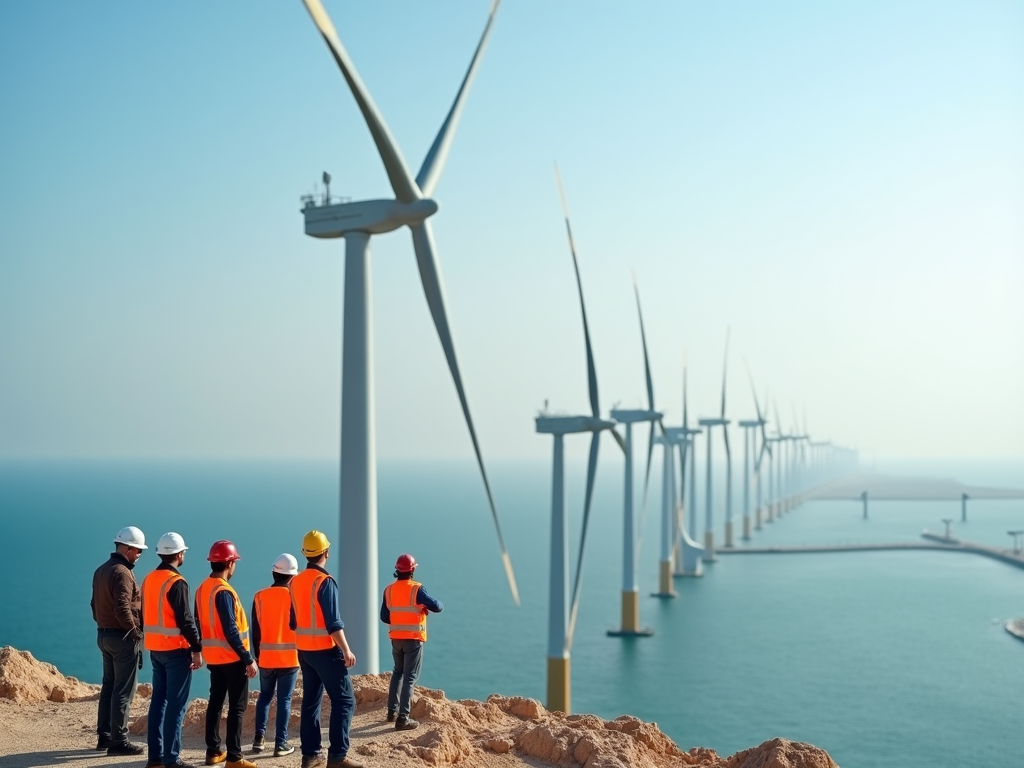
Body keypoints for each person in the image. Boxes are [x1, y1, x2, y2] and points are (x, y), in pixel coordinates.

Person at [289, 531, 362, 768]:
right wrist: (347, 650)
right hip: (324, 650)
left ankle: (310, 756)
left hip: (304, 651)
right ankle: (338, 757)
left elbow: (293, 622)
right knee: (345, 700)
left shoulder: (295, 581)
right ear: (326, 553)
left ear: (305, 554)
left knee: (311, 701)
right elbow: (334, 623)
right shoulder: (325, 582)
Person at [142, 532, 204, 768]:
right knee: (176, 706)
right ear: (179, 554)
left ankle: (155, 757)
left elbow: (143, 614)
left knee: (159, 701)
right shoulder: (176, 582)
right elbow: (185, 620)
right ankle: (171, 759)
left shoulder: (148, 579)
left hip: (155, 650)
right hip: (176, 651)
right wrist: (197, 648)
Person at [195, 540, 258, 768]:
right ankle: (234, 757)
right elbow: (231, 630)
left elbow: (197, 622)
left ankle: (213, 752)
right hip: (232, 659)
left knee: (215, 703)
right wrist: (248, 659)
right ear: (230, 563)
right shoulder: (223, 591)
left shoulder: (202, 589)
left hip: (214, 658)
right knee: (237, 708)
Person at [91, 525, 147, 756]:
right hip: (122, 639)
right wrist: (136, 632)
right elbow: (122, 606)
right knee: (124, 690)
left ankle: (104, 736)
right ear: (126, 548)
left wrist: (103, 626)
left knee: (109, 687)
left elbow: (94, 605)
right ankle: (119, 741)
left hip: (104, 635)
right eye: (137, 550)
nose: (139, 555)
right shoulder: (122, 572)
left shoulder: (101, 570)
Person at [380, 553, 443, 730]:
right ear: (413, 570)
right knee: (410, 677)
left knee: (397, 672)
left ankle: (391, 712)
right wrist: (423, 607)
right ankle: (403, 718)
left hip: (396, 638)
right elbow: (437, 607)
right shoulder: (417, 589)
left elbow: (384, 616)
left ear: (397, 570)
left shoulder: (389, 590)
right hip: (413, 640)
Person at [250, 554, 300, 757]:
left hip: (266, 658)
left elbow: (256, 631)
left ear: (274, 572)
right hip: (289, 658)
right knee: (284, 700)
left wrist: (257, 656)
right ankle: (281, 744)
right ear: (293, 577)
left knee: (264, 697)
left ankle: (258, 740)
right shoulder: (294, 598)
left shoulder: (259, 596)